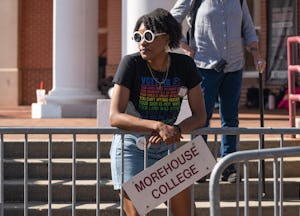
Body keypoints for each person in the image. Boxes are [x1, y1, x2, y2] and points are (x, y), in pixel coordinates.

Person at [109, 8, 206, 216]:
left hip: (166, 149)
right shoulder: (130, 64)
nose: (142, 42)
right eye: (138, 36)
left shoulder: (184, 65)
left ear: (167, 38)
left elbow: (200, 116)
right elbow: (114, 116)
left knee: (187, 213)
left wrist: (176, 130)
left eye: (149, 36)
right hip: (131, 149)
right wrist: (158, 126)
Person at [170, 0, 266, 183]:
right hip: (204, 66)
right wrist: (184, 46)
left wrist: (256, 54)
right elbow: (172, 19)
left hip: (234, 66)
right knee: (200, 118)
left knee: (230, 118)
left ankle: (228, 167)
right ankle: (198, 167)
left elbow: (248, 28)